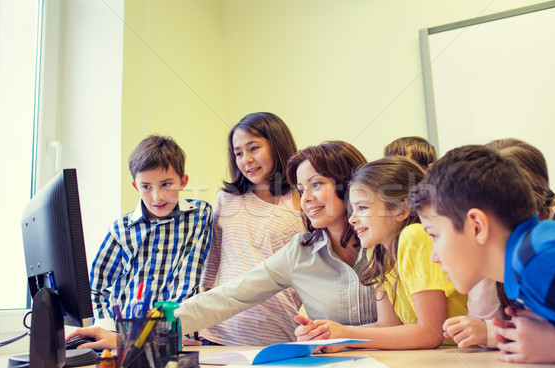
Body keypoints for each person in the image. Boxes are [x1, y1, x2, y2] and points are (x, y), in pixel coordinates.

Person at [66, 141, 377, 349]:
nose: (305, 199)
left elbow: (424, 327)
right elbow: (225, 298)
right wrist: (130, 336)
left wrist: (344, 334)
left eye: (316, 185)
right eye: (299, 188)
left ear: (348, 185)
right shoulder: (301, 251)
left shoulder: (387, 245)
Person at [411, 144, 555, 365]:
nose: (434, 256)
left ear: (477, 227)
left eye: (435, 235)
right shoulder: (524, 265)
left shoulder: (538, 260)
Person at [294, 156, 467, 351]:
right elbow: (386, 325)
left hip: (465, 355)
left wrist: (347, 335)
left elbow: (430, 333)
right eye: (353, 209)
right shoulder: (377, 252)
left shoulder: (414, 237)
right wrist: (331, 335)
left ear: (401, 210)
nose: (352, 219)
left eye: (363, 208)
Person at [197, 112, 304, 346]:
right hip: (218, 333)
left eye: (253, 148)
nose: (245, 159)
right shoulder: (227, 198)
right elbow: (211, 264)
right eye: (238, 153)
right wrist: (193, 324)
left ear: (277, 145)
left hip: (277, 333)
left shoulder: (302, 200)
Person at [87, 135, 212, 332]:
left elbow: (187, 281)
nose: (157, 197)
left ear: (183, 181)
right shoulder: (121, 229)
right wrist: (108, 331)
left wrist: (172, 331)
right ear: (136, 186)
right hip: (125, 336)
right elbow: (95, 288)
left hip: (177, 333)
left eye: (166, 184)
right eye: (146, 187)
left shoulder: (200, 216)